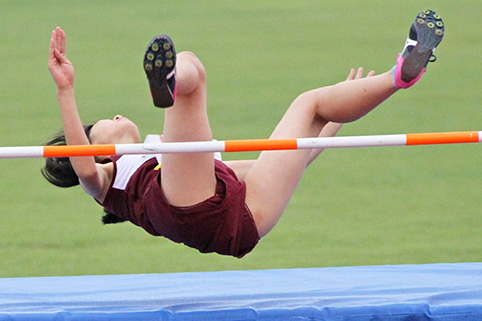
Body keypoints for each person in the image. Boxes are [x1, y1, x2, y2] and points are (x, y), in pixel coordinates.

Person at [42, 10, 444, 257]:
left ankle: (400, 74)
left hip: (247, 218)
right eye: (103, 125)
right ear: (101, 151)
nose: (114, 115)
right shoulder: (111, 184)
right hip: (190, 208)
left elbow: (292, 156)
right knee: (190, 68)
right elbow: (82, 165)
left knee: (310, 105)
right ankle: (172, 79)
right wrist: (65, 89)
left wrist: (335, 112)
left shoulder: (179, 159)